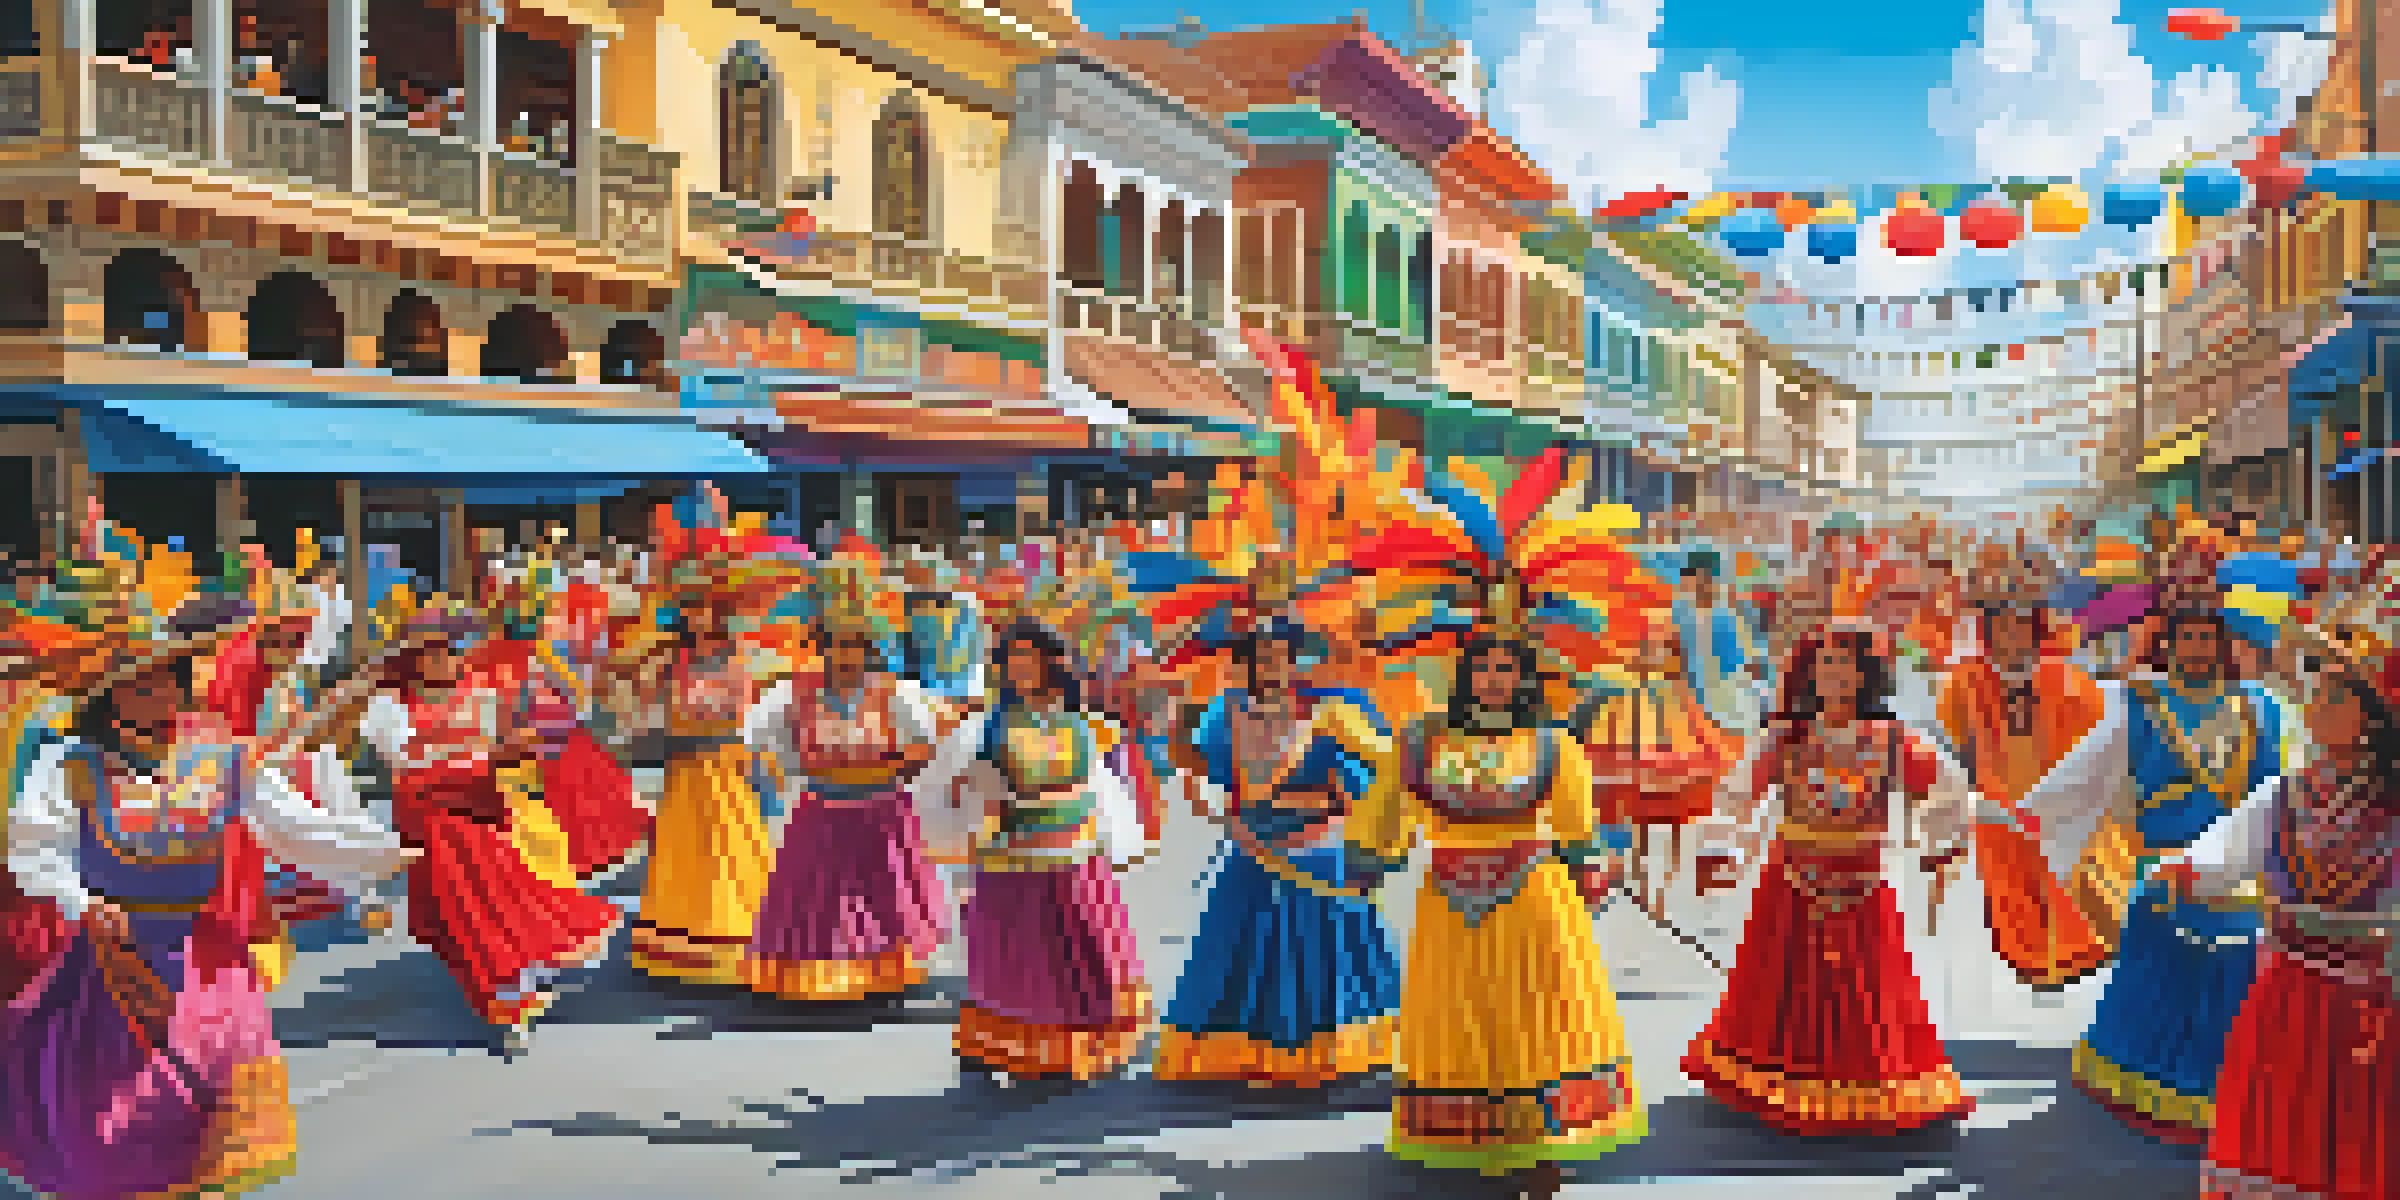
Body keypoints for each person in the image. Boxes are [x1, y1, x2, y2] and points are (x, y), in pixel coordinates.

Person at [0, 596, 413, 1200]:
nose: (160, 691)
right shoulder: (72, 767)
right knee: (120, 1111)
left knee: (211, 1096)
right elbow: (36, 847)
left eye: (167, 676)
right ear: (110, 695)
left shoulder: (218, 760)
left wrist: (381, 852)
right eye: (142, 680)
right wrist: (80, 901)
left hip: (202, 958)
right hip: (114, 956)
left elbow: (290, 822)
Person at [1346, 635, 1642, 1197]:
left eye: (1507, 667)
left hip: (1534, 899)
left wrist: (1591, 870)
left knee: (1536, 1019)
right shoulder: (1421, 740)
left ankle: (1543, 1142)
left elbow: (1579, 825)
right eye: (1482, 666)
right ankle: (1474, 1133)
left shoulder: (1550, 744)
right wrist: (1366, 863)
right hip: (1449, 906)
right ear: (1464, 673)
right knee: (1464, 1012)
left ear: (1525, 676)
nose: (1493, 678)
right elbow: (1385, 808)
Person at [1684, 627, 1987, 1136]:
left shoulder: (1894, 739)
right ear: (1810, 674)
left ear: (1866, 675)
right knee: (1783, 985)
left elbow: (1948, 790)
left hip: (1863, 883)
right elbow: (1738, 797)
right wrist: (1724, 848)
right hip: (1792, 882)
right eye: (1826, 665)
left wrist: (1939, 840)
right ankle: (1779, 1082)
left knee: (1866, 987)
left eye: (1846, 665)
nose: (1835, 675)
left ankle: (1867, 1085)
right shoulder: (1784, 736)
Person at [2042, 606, 2285, 1144]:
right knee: (2162, 968)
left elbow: (2278, 789)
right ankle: (2145, 1070)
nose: (2197, 648)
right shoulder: (2140, 706)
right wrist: (2028, 810)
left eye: (2206, 638)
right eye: (2187, 638)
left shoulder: (2259, 708)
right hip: (2164, 865)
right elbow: (2087, 770)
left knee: (2235, 974)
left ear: (2223, 647)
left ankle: (2225, 1078)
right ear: (2168, 646)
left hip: (2239, 864)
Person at [2176, 630, 2397, 1200]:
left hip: (2366, 1005)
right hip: (2292, 998)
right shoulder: (2283, 795)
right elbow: (2212, 867)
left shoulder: (2362, 803)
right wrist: (2172, 875)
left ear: (2371, 719)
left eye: (2330, 697)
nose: (2311, 707)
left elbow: (2213, 872)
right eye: (2314, 695)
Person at [358, 605, 622, 1058]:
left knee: (500, 904)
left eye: (448, 651)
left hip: (481, 814)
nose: (443, 660)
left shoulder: (482, 694)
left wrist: (517, 752)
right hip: (433, 823)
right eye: (430, 652)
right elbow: (407, 769)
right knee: (456, 916)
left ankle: (508, 995)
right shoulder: (389, 706)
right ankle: (504, 990)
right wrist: (491, 759)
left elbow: (508, 744)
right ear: (413, 658)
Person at [1155, 620, 1401, 1087]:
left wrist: (1335, 789)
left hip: (1318, 845)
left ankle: (1331, 1048)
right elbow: (1209, 770)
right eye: (1261, 655)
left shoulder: (1333, 706)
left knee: (1325, 950)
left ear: (1294, 658)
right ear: (1245, 661)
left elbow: (1368, 771)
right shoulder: (1225, 709)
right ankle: (1246, 1049)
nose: (1272, 665)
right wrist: (1184, 707)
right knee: (1243, 948)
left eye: (1280, 654)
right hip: (1253, 843)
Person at [929, 619, 1152, 1081]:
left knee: (1082, 951)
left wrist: (1107, 835)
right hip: (1013, 855)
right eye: (1014, 659)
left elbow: (1099, 785)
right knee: (1022, 958)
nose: (1023, 668)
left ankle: (1084, 1040)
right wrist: (976, 799)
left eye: (1033, 658)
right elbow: (966, 789)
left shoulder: (1082, 722)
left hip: (1074, 852)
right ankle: (1015, 1045)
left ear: (1055, 664)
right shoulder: (988, 724)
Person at [741, 573, 947, 1002]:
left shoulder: (895, 693)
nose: (846, 653)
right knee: (821, 899)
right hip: (822, 808)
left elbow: (928, 743)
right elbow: (758, 736)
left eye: (855, 643)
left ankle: (880, 974)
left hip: (881, 810)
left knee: (882, 895)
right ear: (823, 645)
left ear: (870, 648)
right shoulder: (795, 692)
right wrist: (797, 767)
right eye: (837, 642)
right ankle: (822, 978)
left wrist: (893, 770)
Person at [1936, 599, 2115, 989]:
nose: (2009, 635)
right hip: (1994, 796)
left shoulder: (2066, 677)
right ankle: (2027, 957)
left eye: (2018, 626)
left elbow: (2096, 728)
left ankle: (2074, 950)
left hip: (2054, 793)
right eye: (2000, 626)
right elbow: (1956, 734)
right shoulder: (1964, 679)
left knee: (2059, 875)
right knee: (2008, 883)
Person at [616, 569, 779, 985]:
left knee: (731, 848)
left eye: (708, 610)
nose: (700, 617)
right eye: (692, 609)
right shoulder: (669, 659)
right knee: (686, 854)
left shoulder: (738, 658)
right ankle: (685, 944)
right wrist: (649, 654)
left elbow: (738, 714)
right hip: (684, 768)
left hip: (723, 763)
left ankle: (739, 938)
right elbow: (630, 688)